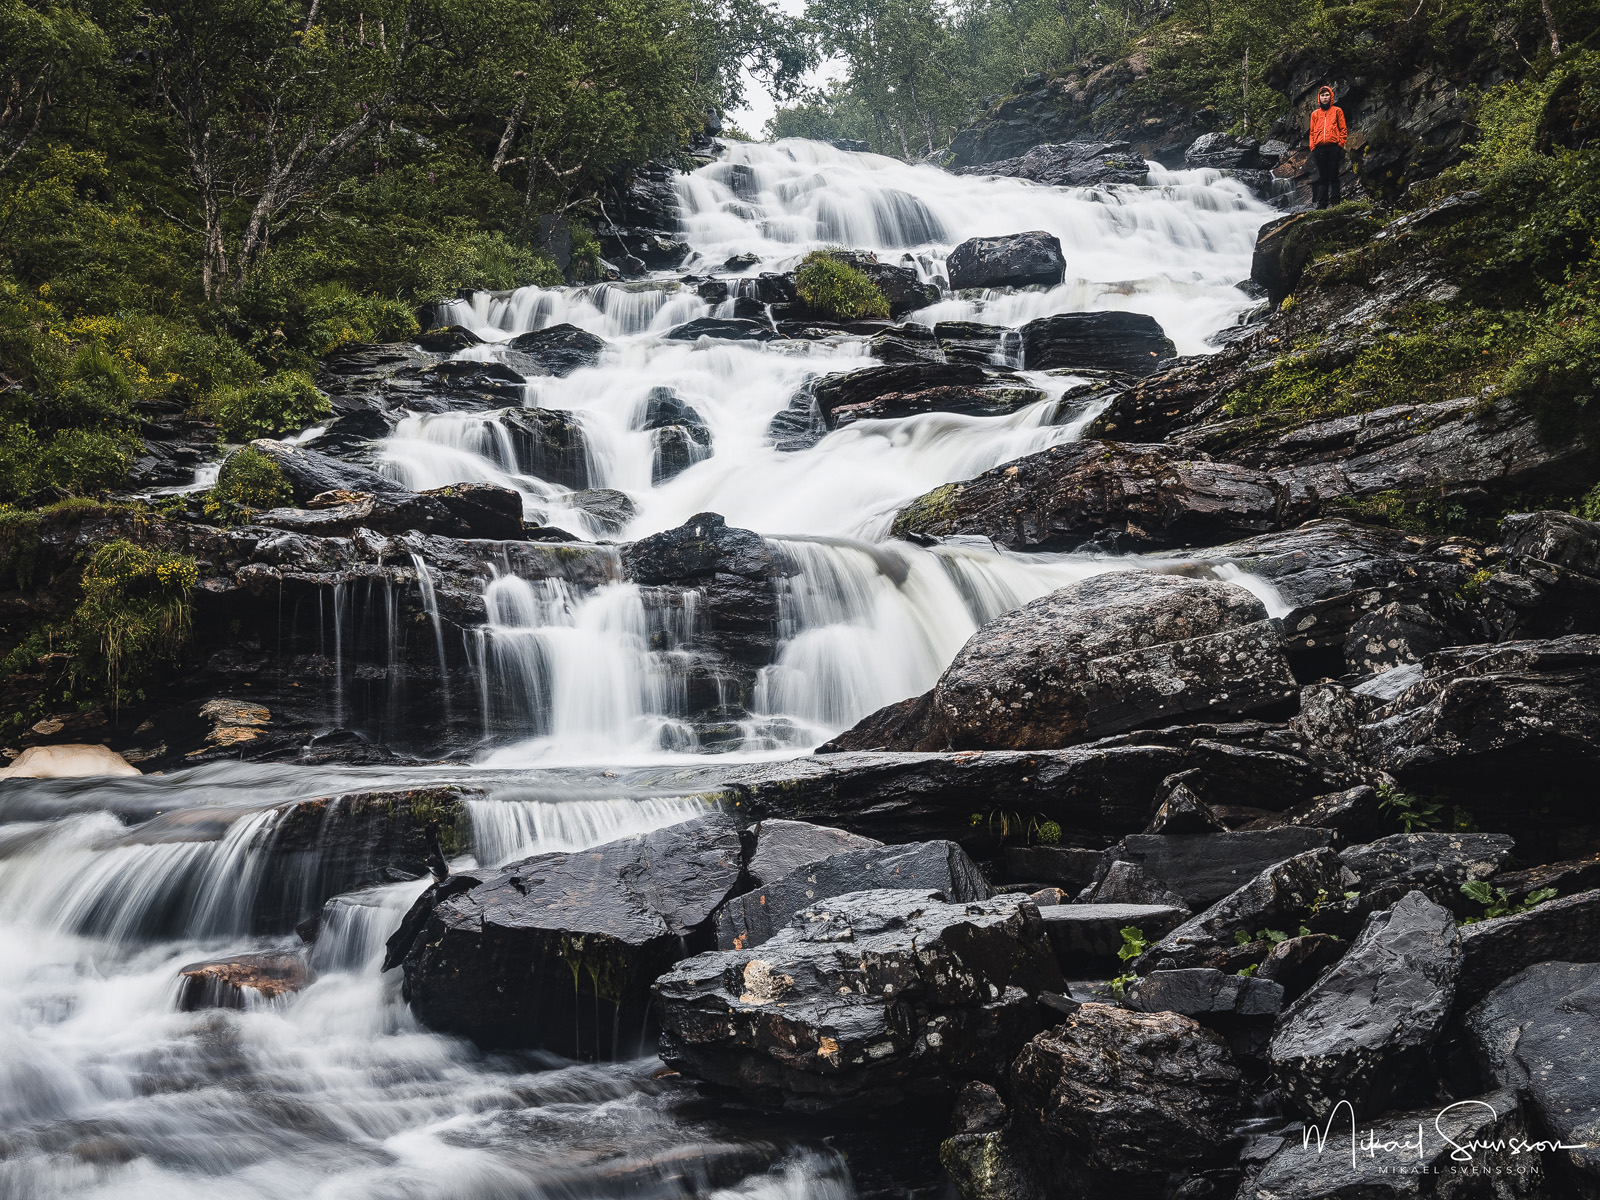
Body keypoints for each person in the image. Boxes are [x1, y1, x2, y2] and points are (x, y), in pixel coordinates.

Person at [1309, 85, 1348, 208]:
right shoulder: (1315, 114)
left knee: (1334, 175)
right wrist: (1313, 147)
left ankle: (1336, 202)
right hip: (1319, 148)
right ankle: (1322, 204)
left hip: (1334, 147)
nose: (1325, 98)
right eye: (1322, 95)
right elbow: (1311, 132)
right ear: (1319, 98)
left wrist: (1340, 144)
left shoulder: (1337, 111)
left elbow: (1343, 129)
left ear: (1331, 97)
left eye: (1327, 95)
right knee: (1323, 176)